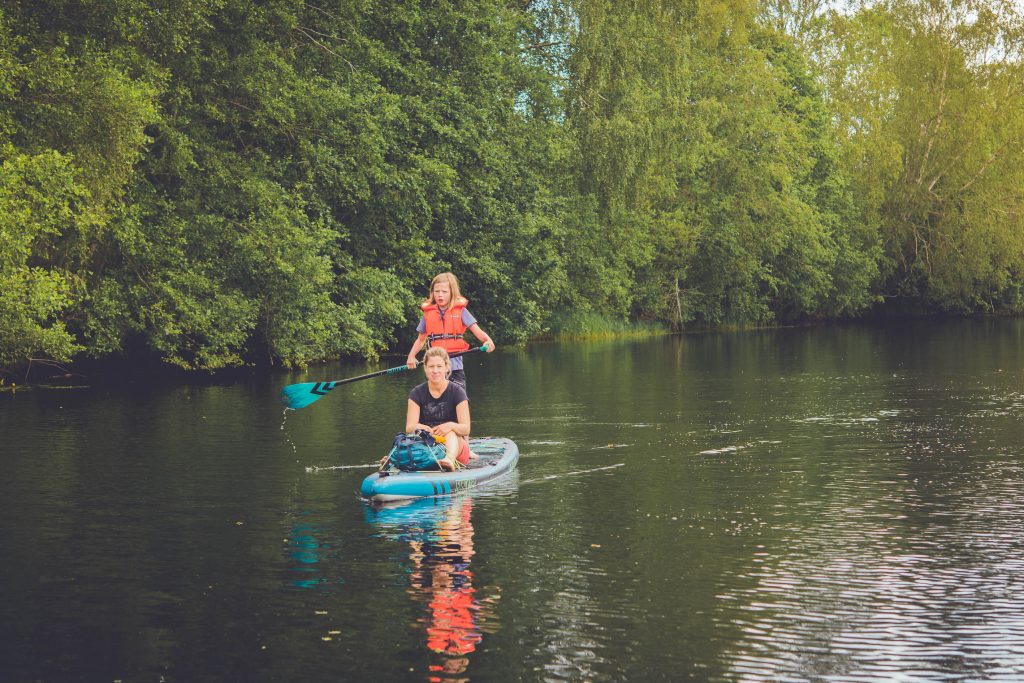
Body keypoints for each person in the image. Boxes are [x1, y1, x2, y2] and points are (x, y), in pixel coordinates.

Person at [406, 272, 495, 388]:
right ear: (432, 293)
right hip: (434, 371)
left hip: (455, 369)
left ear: (452, 293)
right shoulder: (428, 313)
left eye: (444, 292)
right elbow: (420, 340)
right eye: (437, 291)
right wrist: (411, 356)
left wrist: (488, 340)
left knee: (459, 402)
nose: (440, 295)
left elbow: (478, 332)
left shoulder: (461, 311)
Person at [406, 347, 472, 471]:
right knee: (407, 437)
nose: (435, 371)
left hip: (457, 447)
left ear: (447, 367)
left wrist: (450, 426)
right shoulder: (416, 393)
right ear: (425, 368)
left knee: (450, 432)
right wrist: (421, 427)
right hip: (428, 444)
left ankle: (449, 460)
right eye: (431, 366)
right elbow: (409, 427)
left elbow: (466, 429)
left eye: (439, 366)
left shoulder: (458, 392)